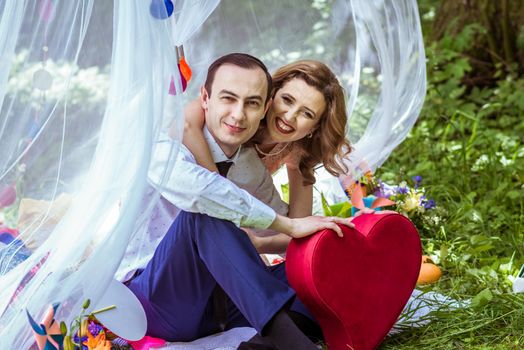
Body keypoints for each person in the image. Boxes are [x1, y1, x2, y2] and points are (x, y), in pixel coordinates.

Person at [121, 53, 352, 350]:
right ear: (206, 99)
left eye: (251, 103)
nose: (238, 114)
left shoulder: (252, 168)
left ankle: (260, 344)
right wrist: (288, 225)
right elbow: (201, 193)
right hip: (156, 299)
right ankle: (291, 342)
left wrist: (301, 180)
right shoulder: (166, 138)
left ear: (263, 107)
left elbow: (292, 237)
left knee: (310, 273)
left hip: (217, 306)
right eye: (228, 99)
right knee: (204, 213)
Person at [182, 59, 351, 254]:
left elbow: (298, 231)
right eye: (287, 100)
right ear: (271, 94)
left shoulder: (297, 152)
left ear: (314, 128)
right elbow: (186, 125)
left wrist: (258, 245)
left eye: (307, 113)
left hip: (226, 230)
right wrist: (222, 195)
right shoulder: (229, 109)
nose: (289, 116)